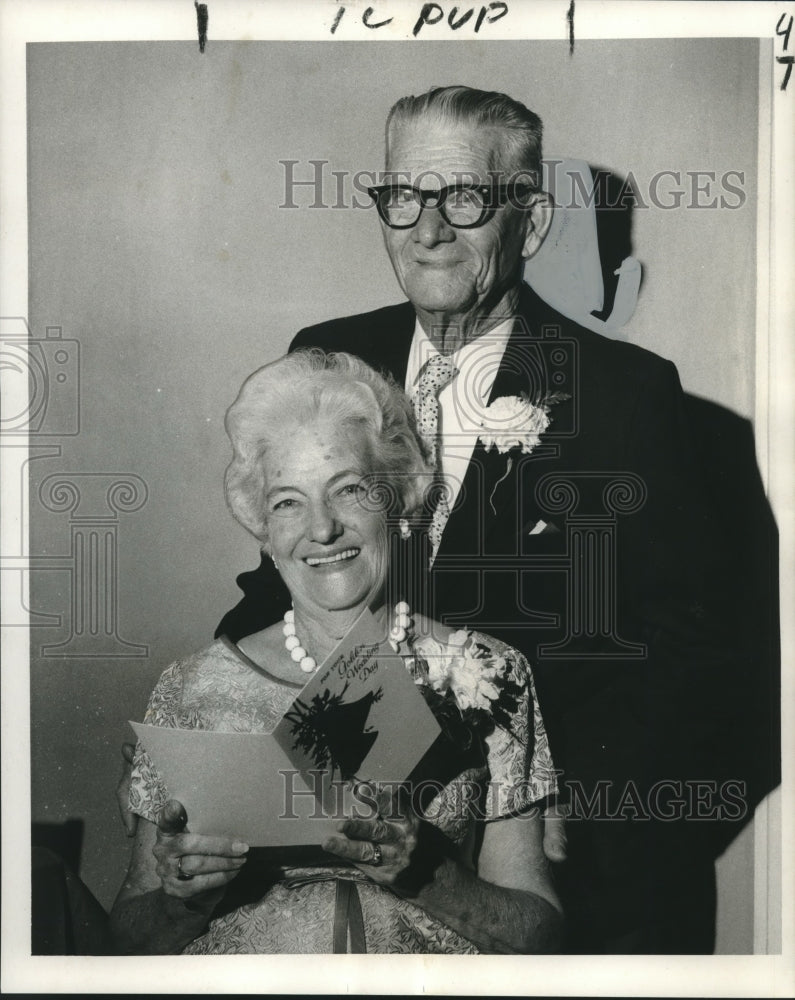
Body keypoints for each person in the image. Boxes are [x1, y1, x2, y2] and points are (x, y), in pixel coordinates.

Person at [117, 85, 756, 952]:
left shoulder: (624, 396)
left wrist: (568, 798)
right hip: (331, 844)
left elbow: (696, 649)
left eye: (463, 197)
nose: (427, 230)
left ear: (526, 224)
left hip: (524, 867)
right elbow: (282, 584)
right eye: (403, 197)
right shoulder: (332, 353)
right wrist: (218, 762)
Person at [109, 350, 562, 955]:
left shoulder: (486, 674)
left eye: (347, 489)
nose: (321, 530)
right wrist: (183, 898)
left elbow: (542, 935)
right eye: (287, 502)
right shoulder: (192, 688)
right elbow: (127, 939)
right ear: (265, 535)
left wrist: (429, 875)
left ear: (396, 502)